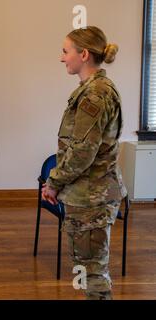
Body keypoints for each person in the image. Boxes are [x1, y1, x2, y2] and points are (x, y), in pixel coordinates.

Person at [42, 26, 127, 300]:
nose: (62, 58)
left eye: (66, 52)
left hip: (92, 198)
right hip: (87, 195)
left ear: (84, 54)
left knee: (92, 274)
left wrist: (53, 182)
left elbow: (82, 152)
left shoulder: (95, 94)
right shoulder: (92, 89)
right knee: (87, 269)